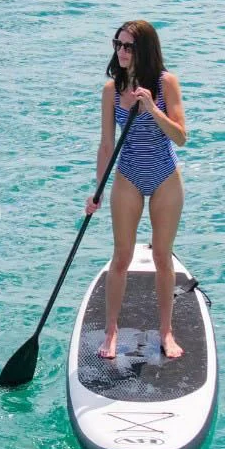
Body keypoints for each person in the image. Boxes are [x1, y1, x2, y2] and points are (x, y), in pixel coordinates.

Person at [84, 20, 188, 359]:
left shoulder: (165, 83)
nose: (121, 52)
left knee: (161, 255)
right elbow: (105, 145)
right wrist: (97, 191)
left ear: (144, 50)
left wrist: (152, 108)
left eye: (128, 46)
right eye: (118, 44)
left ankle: (167, 332)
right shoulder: (111, 90)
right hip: (128, 176)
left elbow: (181, 137)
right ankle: (111, 332)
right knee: (121, 257)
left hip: (164, 177)